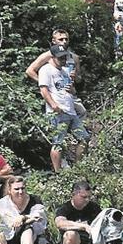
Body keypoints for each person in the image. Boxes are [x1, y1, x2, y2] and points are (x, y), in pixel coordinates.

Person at [0, 176, 67, 244]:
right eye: (17, 189)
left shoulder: (35, 199)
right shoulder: (3, 203)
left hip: (36, 233)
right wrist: (28, 218)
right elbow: (12, 222)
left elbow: (39, 216)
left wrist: (23, 217)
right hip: (12, 236)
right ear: (9, 190)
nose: (20, 191)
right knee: (27, 227)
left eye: (23, 188)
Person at [39, 43, 90, 172]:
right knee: (58, 143)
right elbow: (44, 90)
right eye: (60, 58)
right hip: (57, 112)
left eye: (64, 58)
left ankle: (78, 168)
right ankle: (58, 173)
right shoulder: (46, 70)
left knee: (84, 138)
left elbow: (71, 91)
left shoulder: (65, 71)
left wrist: (73, 90)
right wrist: (54, 105)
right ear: (52, 57)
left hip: (70, 110)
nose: (63, 60)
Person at [54, 180, 104, 244]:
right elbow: (60, 223)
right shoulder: (65, 208)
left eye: (89, 197)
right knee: (71, 234)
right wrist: (82, 226)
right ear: (74, 194)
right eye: (84, 197)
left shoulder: (94, 207)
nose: (87, 200)